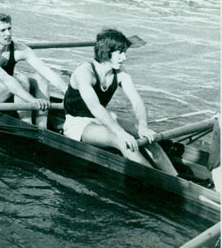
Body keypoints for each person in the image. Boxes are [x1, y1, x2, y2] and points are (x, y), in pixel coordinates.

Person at [63, 29, 169, 169]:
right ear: (106, 51)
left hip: (102, 120)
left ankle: (175, 177)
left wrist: (143, 125)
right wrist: (120, 133)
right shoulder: (84, 72)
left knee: (148, 138)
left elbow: (137, 101)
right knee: (121, 141)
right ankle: (158, 181)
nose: (124, 58)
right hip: (78, 124)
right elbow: (95, 107)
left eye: (125, 52)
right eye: (120, 53)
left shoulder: (120, 73)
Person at [0, 13, 66, 128]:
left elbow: (47, 71)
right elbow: (5, 79)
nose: (8, 34)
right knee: (20, 79)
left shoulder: (19, 49)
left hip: (5, 92)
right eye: (3, 30)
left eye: (9, 29)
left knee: (40, 78)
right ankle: (27, 125)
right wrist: (32, 100)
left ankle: (42, 126)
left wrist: (68, 91)